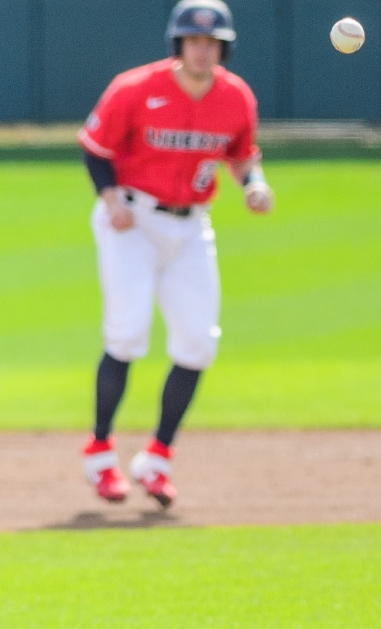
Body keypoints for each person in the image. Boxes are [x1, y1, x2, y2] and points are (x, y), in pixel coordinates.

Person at [77, 0, 273, 508]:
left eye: (211, 42)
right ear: (178, 45)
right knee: (128, 331)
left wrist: (254, 184)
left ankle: (157, 457)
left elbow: (242, 154)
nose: (202, 49)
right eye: (193, 41)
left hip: (190, 227)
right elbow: (95, 148)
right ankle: (100, 451)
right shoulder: (136, 88)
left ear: (222, 47)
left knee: (198, 343)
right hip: (132, 223)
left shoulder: (235, 98)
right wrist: (109, 197)